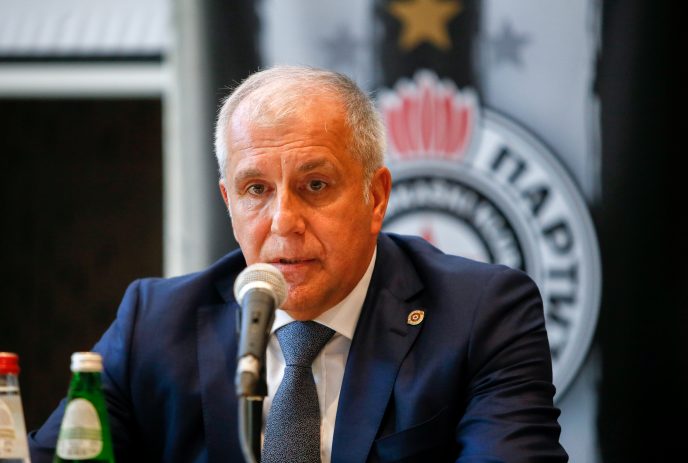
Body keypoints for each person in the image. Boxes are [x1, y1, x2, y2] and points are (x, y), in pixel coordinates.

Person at [29, 66, 568, 462]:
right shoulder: (153, 323)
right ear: (229, 204)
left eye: (315, 185)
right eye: (256, 189)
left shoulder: (480, 314)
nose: (283, 221)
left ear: (375, 197)